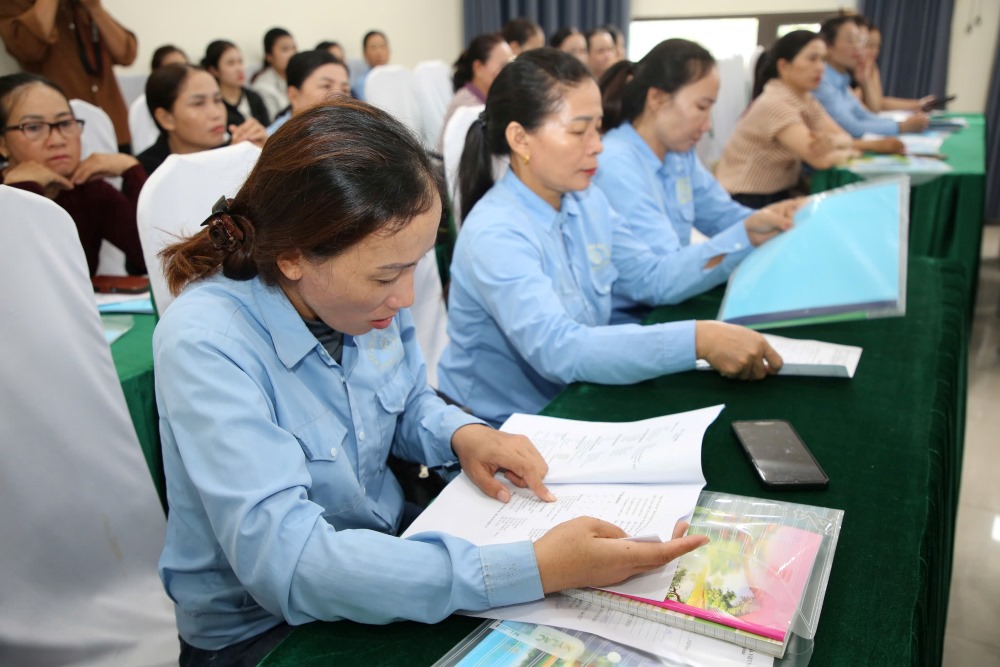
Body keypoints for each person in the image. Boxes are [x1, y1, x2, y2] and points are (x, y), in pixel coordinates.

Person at [153, 98, 709, 665]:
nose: (405, 297)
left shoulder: (361, 299)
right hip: (263, 629)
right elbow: (291, 564)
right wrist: (535, 568)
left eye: (416, 265)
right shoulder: (207, 343)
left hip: (393, 546)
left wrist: (460, 434)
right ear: (293, 257)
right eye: (386, 276)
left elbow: (406, 401)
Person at [438, 49, 783, 428]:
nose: (597, 145)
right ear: (520, 139)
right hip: (503, 426)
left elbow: (652, 278)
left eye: (598, 128)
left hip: (575, 398)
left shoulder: (587, 201)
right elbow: (560, 349)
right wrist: (696, 339)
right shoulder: (496, 232)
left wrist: (746, 235)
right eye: (578, 131)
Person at [594, 38, 797, 328]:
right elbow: (657, 279)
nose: (707, 125)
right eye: (702, 107)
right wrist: (746, 235)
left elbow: (723, 216)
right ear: (657, 100)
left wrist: (779, 219)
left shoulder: (679, 154)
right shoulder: (615, 165)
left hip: (672, 298)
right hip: (635, 322)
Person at [0, 73, 145, 275]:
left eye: (65, 123)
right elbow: (20, 273)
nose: (58, 140)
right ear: (2, 144)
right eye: (33, 127)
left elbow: (153, 258)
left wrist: (131, 170)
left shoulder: (86, 186)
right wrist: (19, 190)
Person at [715, 31, 858, 208]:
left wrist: (833, 142)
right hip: (746, 197)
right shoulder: (774, 103)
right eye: (812, 59)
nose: (820, 67)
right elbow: (820, 160)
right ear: (784, 66)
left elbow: (845, 138)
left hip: (777, 192)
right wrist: (847, 150)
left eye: (823, 60)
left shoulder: (806, 99)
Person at [0, 0, 137, 150]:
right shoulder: (13, 4)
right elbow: (28, 48)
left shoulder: (79, 4)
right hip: (59, 135)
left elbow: (126, 54)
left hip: (114, 125)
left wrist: (95, 9)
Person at [138, 64, 266, 175]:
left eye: (218, 100)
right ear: (166, 119)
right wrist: (231, 164)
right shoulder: (145, 172)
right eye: (198, 103)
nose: (216, 114)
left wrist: (264, 155)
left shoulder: (230, 149)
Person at [812, 16, 927, 138]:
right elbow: (851, 128)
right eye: (850, 41)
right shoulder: (821, 81)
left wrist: (901, 123)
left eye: (858, 41)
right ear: (828, 47)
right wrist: (901, 127)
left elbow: (864, 115)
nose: (857, 47)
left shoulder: (842, 79)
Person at [437, 33, 512, 152]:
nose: (510, 72)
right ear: (478, 68)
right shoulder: (466, 106)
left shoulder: (488, 99)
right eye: (504, 66)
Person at [853, 21, 936, 113]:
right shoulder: (848, 71)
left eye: (878, 46)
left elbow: (878, 103)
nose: (875, 51)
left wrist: (920, 103)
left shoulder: (871, 67)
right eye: (870, 45)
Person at [266, 50, 350, 136]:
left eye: (345, 90)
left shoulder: (352, 133)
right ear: (294, 96)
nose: (338, 96)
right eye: (326, 86)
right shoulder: (268, 140)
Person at [202, 40, 270, 129]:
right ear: (214, 70)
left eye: (240, 62)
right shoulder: (215, 106)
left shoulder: (254, 97)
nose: (239, 69)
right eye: (231, 63)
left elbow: (268, 129)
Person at [249, 27, 297, 120]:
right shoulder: (262, 87)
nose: (292, 54)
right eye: (285, 49)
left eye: (294, 48)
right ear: (269, 56)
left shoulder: (298, 77)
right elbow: (274, 123)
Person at [351, 30, 389, 100]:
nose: (379, 52)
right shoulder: (362, 83)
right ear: (365, 53)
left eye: (383, 46)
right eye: (373, 48)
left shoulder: (396, 77)